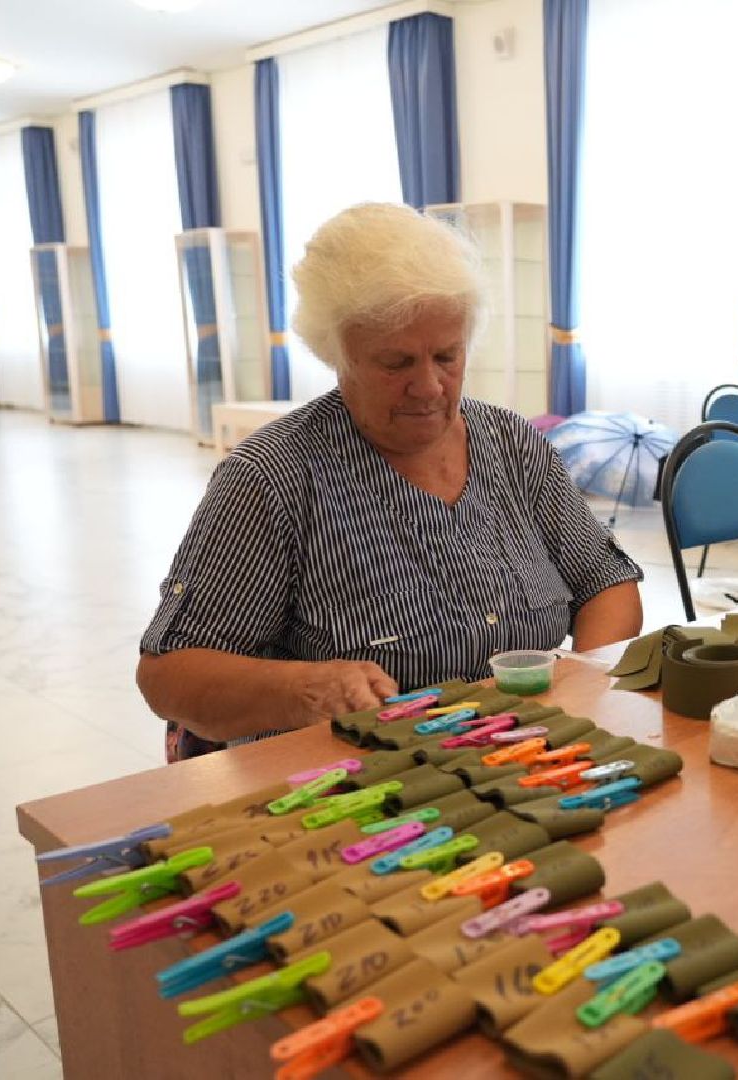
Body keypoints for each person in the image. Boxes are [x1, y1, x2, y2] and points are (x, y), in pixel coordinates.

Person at [137, 203, 643, 762]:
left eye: (447, 356)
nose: (429, 387)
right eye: (395, 363)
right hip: (356, 783)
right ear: (338, 356)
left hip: (524, 761)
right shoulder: (274, 478)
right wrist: (303, 689)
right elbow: (169, 676)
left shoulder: (511, 444)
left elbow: (605, 581)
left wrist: (584, 688)